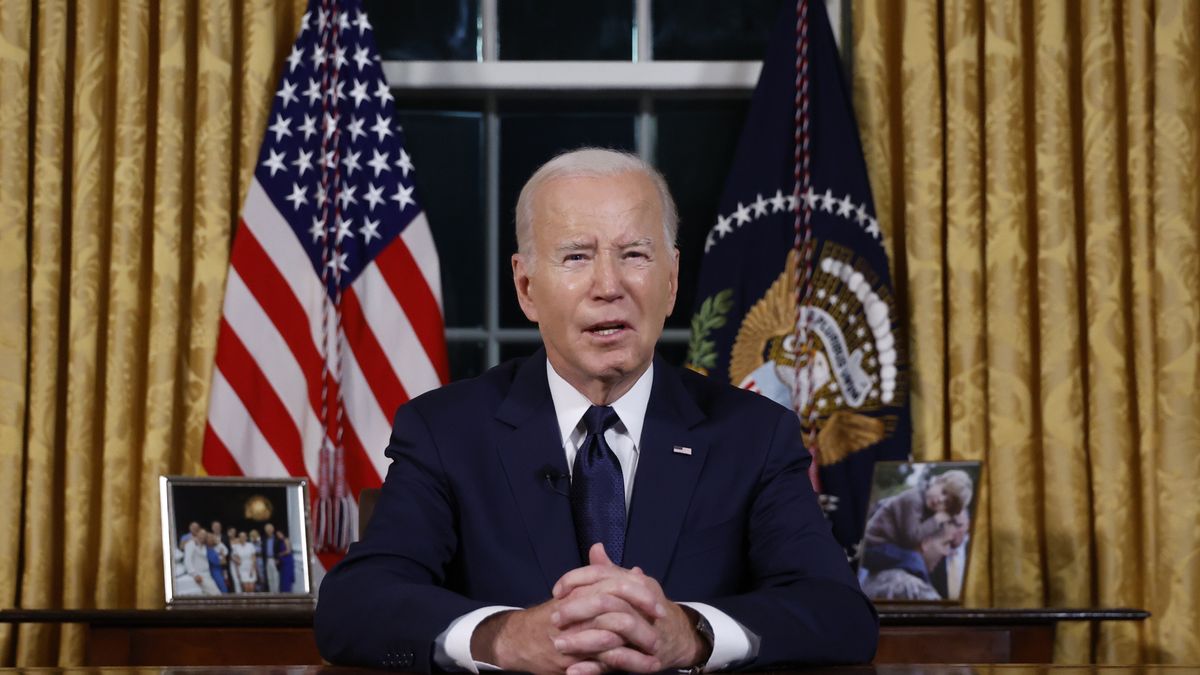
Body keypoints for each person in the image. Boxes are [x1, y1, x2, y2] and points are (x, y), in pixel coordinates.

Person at [314, 148, 877, 672]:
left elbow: (837, 612)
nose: (609, 285)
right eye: (576, 257)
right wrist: (505, 638)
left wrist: (692, 633)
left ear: (673, 279)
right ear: (526, 286)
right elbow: (355, 606)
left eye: (634, 254)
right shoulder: (445, 431)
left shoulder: (753, 434)